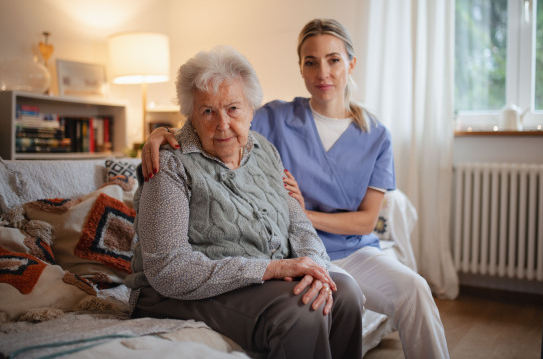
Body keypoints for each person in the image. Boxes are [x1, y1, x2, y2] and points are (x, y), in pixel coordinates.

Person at [141, 19, 450, 359]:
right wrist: (162, 133)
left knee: (361, 291)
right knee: (311, 305)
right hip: (267, 263)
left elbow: (337, 222)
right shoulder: (276, 118)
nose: (323, 73)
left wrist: (312, 259)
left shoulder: (361, 136)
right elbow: (207, 115)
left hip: (337, 249)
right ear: (301, 68)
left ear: (350, 63)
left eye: (333, 59)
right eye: (311, 61)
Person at [125, 45, 364, 359]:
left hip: (257, 282)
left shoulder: (264, 150)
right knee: (302, 312)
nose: (222, 124)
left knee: (344, 293)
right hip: (172, 292)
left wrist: (316, 268)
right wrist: (270, 269)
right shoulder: (169, 164)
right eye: (207, 111)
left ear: (252, 109)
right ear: (191, 116)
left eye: (233, 108)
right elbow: (168, 270)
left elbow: (298, 223)